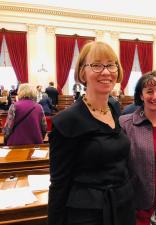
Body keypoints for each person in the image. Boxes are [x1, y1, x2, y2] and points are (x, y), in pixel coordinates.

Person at [48, 41, 135, 225]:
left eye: (111, 65)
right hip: (87, 215)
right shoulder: (67, 121)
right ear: (82, 72)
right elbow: (59, 184)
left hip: (122, 207)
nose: (106, 72)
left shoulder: (114, 108)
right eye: (96, 65)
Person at [119, 70, 156, 225]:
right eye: (149, 91)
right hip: (136, 203)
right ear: (141, 95)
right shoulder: (125, 124)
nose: (155, 96)